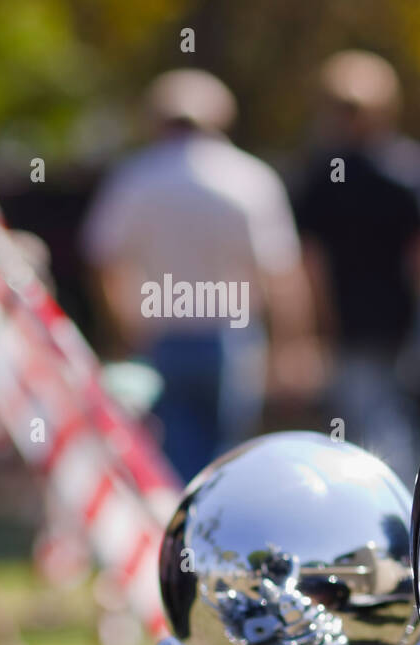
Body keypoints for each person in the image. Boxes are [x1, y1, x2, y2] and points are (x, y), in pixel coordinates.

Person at [81, 69, 319, 481]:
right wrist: (292, 344)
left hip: (161, 336)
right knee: (227, 462)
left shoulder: (136, 177)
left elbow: (103, 260)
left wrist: (122, 329)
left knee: (169, 460)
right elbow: (280, 271)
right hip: (232, 337)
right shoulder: (248, 178)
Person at [289, 50, 420, 482]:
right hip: (388, 322)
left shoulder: (323, 173)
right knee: (387, 420)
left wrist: (317, 322)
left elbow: (309, 262)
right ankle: (400, 506)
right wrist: (417, 301)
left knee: (371, 423)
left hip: (362, 326)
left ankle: (393, 510)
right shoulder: (407, 167)